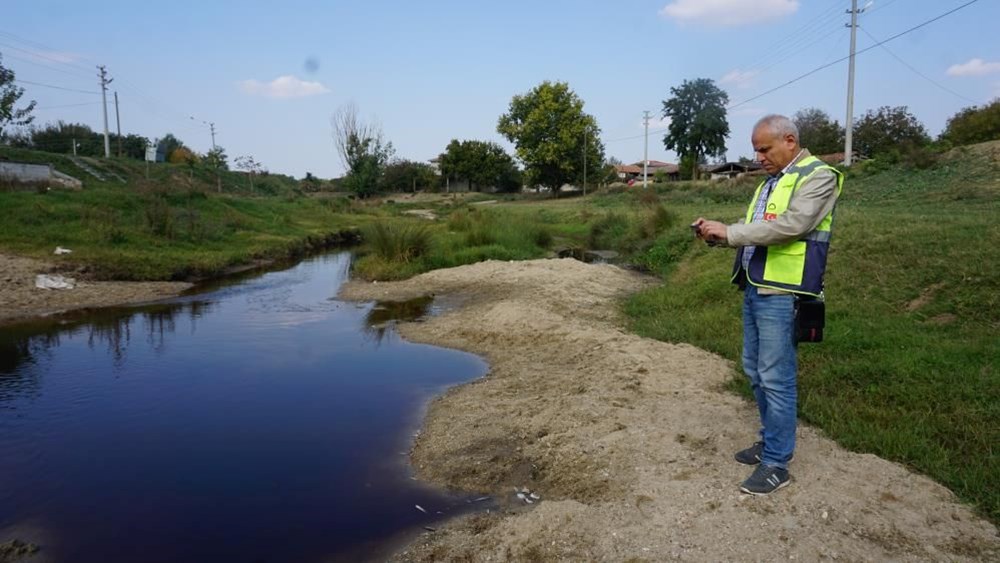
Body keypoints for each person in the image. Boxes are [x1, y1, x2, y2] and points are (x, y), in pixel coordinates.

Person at [693, 114, 843, 495]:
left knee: (776, 377)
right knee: (755, 370)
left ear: (789, 141)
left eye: (765, 148)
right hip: (755, 286)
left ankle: (777, 463)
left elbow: (793, 225)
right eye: (756, 149)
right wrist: (717, 234)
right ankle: (769, 440)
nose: (758, 156)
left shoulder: (818, 176)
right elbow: (756, 228)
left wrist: (731, 233)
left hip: (784, 291)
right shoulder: (771, 182)